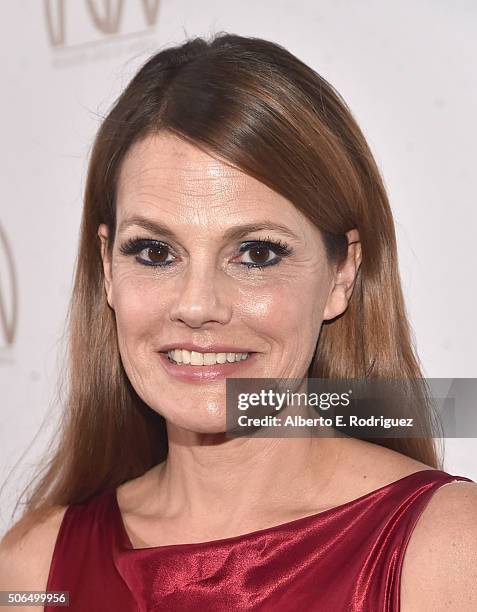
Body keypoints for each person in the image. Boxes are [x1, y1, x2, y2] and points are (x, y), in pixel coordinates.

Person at [1, 32, 476, 612]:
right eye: (154, 252)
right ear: (106, 267)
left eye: (256, 254)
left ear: (342, 274)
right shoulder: (33, 570)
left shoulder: (447, 551)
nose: (198, 305)